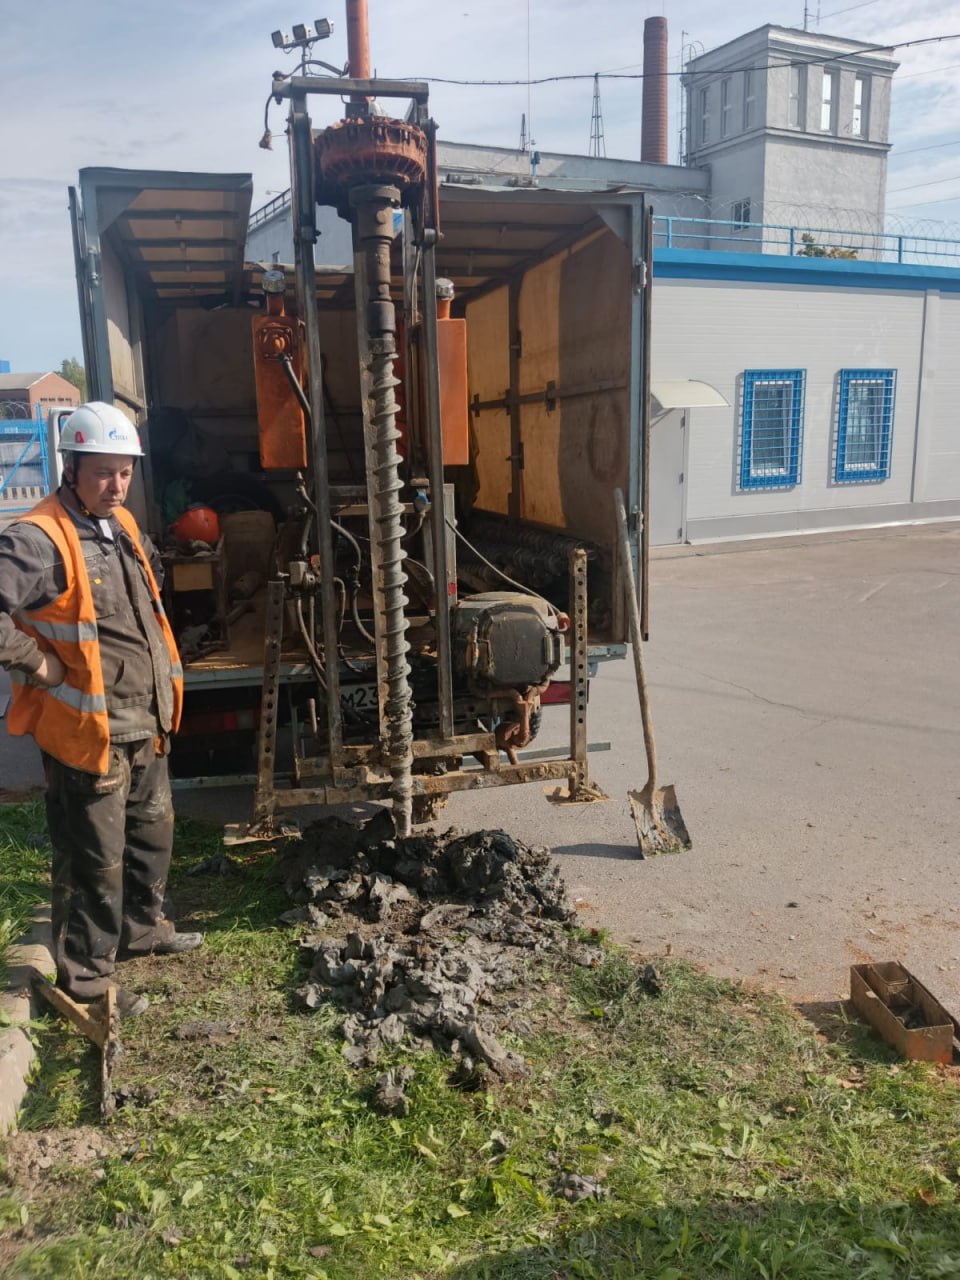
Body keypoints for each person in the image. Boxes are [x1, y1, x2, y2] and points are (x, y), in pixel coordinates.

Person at [0, 401, 201, 1018]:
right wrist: (35, 664)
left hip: (144, 720)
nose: (116, 485)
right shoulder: (39, 538)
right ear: (71, 469)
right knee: (94, 861)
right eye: (102, 473)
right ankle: (86, 979)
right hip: (89, 731)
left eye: (125, 472)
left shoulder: (122, 525)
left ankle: (143, 930)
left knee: (150, 838)